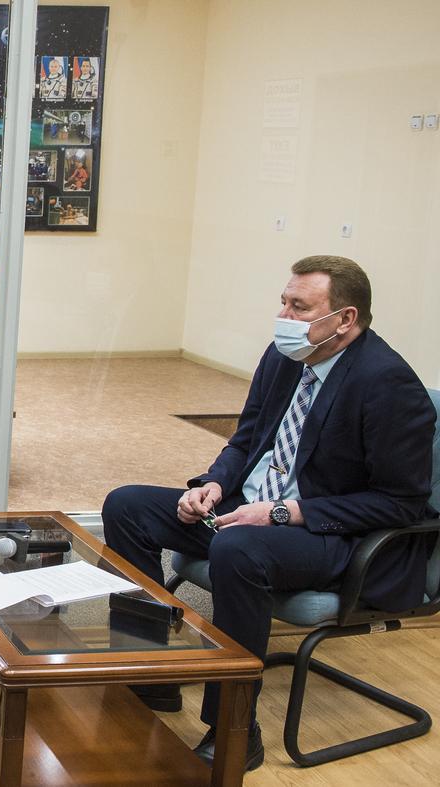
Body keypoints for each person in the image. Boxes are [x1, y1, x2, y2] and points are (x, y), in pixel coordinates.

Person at [102, 256, 436, 772]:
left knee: (239, 548)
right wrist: (212, 484)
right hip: (251, 511)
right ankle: (154, 672)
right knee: (126, 506)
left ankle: (236, 727)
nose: (283, 314)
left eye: (299, 307)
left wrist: (284, 512)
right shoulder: (286, 356)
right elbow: (247, 439)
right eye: (284, 300)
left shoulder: (388, 384)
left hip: (331, 533)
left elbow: (401, 502)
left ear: (345, 319)